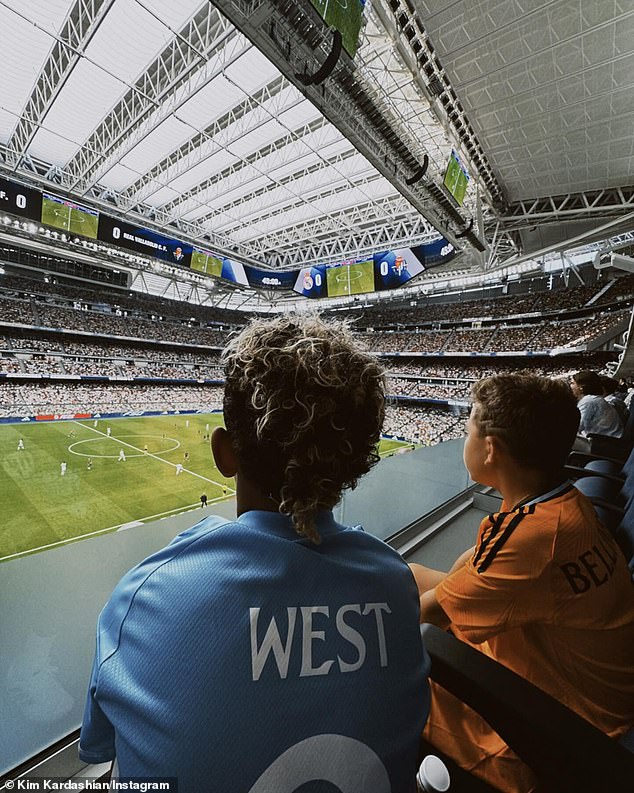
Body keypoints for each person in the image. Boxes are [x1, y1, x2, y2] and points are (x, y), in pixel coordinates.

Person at [79, 315, 429, 791]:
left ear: (224, 453)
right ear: (355, 462)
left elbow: (101, 748)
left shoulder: (148, 594)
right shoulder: (393, 581)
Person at [410, 374, 634, 792]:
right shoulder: (562, 509)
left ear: (490, 449)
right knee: (410, 577)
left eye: (469, 429)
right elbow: (452, 579)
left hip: (556, 728)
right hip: (577, 691)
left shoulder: (529, 541)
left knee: (389, 671)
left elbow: (426, 616)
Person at [570, 370, 622, 438]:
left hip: (604, 442)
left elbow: (575, 428)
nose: (570, 386)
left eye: (572, 383)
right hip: (608, 439)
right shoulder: (594, 399)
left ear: (581, 387)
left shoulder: (588, 401)